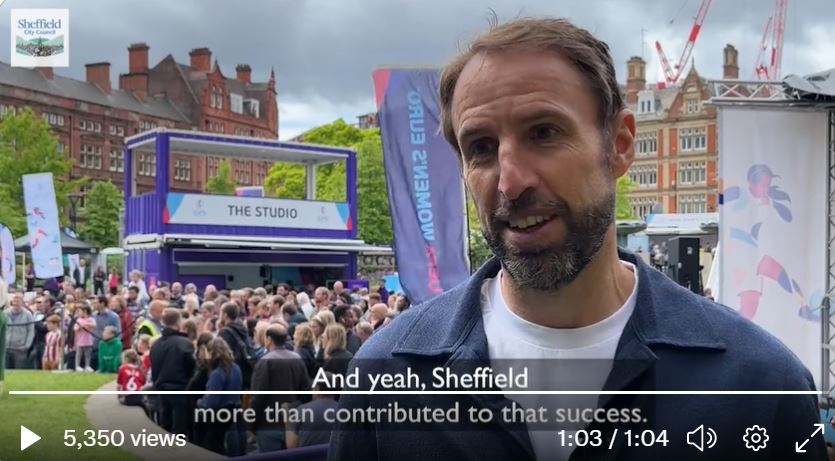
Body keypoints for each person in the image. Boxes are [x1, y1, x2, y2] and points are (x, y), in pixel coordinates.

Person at [329, 17, 825, 461]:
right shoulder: (387, 375)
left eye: (544, 133)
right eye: (481, 148)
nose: (510, 181)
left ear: (620, 145)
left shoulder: (760, 384)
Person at [250, 324, 312, 452]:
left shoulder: (265, 361)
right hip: (291, 423)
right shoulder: (297, 358)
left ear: (269, 339)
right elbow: (306, 392)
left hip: (268, 425)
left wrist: (252, 423)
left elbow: (258, 397)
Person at [150, 308, 195, 436]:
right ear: (178, 322)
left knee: (165, 423)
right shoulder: (184, 343)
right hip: (180, 387)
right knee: (180, 426)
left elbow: (154, 366)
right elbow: (191, 366)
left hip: (162, 387)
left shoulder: (156, 344)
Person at [195, 338, 242, 455]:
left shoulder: (217, 373)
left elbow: (212, 401)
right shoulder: (235, 368)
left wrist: (199, 402)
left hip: (219, 416)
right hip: (234, 410)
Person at [285, 371, 338, 449]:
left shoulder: (302, 410)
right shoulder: (344, 411)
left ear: (317, 388)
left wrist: (287, 418)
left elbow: (291, 445)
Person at [217, 302, 254, 390]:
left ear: (225, 315)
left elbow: (222, 353)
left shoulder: (224, 332)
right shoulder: (242, 328)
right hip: (243, 369)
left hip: (230, 371)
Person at [73, 305, 95, 372]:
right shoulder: (78, 320)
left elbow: (93, 326)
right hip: (80, 341)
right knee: (79, 354)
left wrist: (85, 324)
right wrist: (80, 327)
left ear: (85, 311)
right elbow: (75, 328)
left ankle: (87, 365)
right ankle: (77, 366)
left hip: (88, 341)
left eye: (79, 311)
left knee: (87, 354)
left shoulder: (91, 319)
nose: (78, 313)